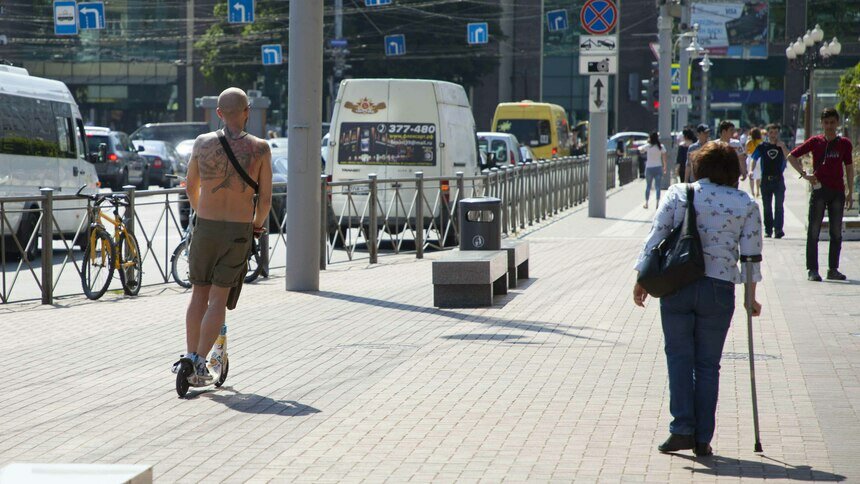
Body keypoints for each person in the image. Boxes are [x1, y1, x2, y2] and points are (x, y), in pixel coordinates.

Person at [633, 141, 763, 457]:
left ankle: (681, 429)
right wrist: (750, 297)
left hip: (677, 283)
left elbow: (656, 237)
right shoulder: (745, 203)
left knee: (678, 357)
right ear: (733, 171)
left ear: (699, 167)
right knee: (708, 364)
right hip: (719, 289)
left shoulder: (680, 193)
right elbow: (750, 257)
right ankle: (702, 437)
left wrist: (641, 279)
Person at [179, 87, 273, 382]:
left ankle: (190, 355)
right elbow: (266, 200)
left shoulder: (202, 143)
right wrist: (256, 225)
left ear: (219, 113)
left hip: (205, 226)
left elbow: (190, 185)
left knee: (198, 293)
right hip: (238, 230)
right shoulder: (260, 149)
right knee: (218, 298)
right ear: (247, 112)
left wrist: (201, 212)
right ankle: (200, 362)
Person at [787, 107, 855, 282]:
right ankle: (812, 269)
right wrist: (805, 175)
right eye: (826, 123)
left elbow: (849, 166)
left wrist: (850, 191)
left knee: (836, 232)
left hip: (838, 191)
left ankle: (833, 269)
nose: (829, 126)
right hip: (819, 190)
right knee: (814, 231)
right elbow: (791, 156)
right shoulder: (815, 142)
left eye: (832, 122)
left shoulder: (844, 144)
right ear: (821, 124)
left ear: (837, 123)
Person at [751, 124, 789, 238]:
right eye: (771, 132)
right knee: (767, 206)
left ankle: (778, 229)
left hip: (778, 180)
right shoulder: (763, 146)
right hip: (766, 180)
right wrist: (751, 171)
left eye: (776, 132)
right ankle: (768, 230)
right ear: (767, 133)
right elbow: (754, 158)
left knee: (779, 206)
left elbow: (789, 156)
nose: (773, 135)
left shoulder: (781, 146)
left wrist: (783, 147)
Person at [638, 131, 668, 209]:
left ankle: (646, 203)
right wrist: (665, 167)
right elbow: (664, 158)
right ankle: (657, 203)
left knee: (648, 186)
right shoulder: (661, 146)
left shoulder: (648, 146)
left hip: (649, 168)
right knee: (658, 186)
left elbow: (640, 149)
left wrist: (646, 143)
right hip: (658, 167)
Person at [745, 127, 763, 197]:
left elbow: (746, 151)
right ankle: (758, 191)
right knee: (758, 176)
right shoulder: (761, 141)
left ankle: (752, 192)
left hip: (751, 158)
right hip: (759, 158)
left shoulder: (749, 141)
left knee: (751, 176)